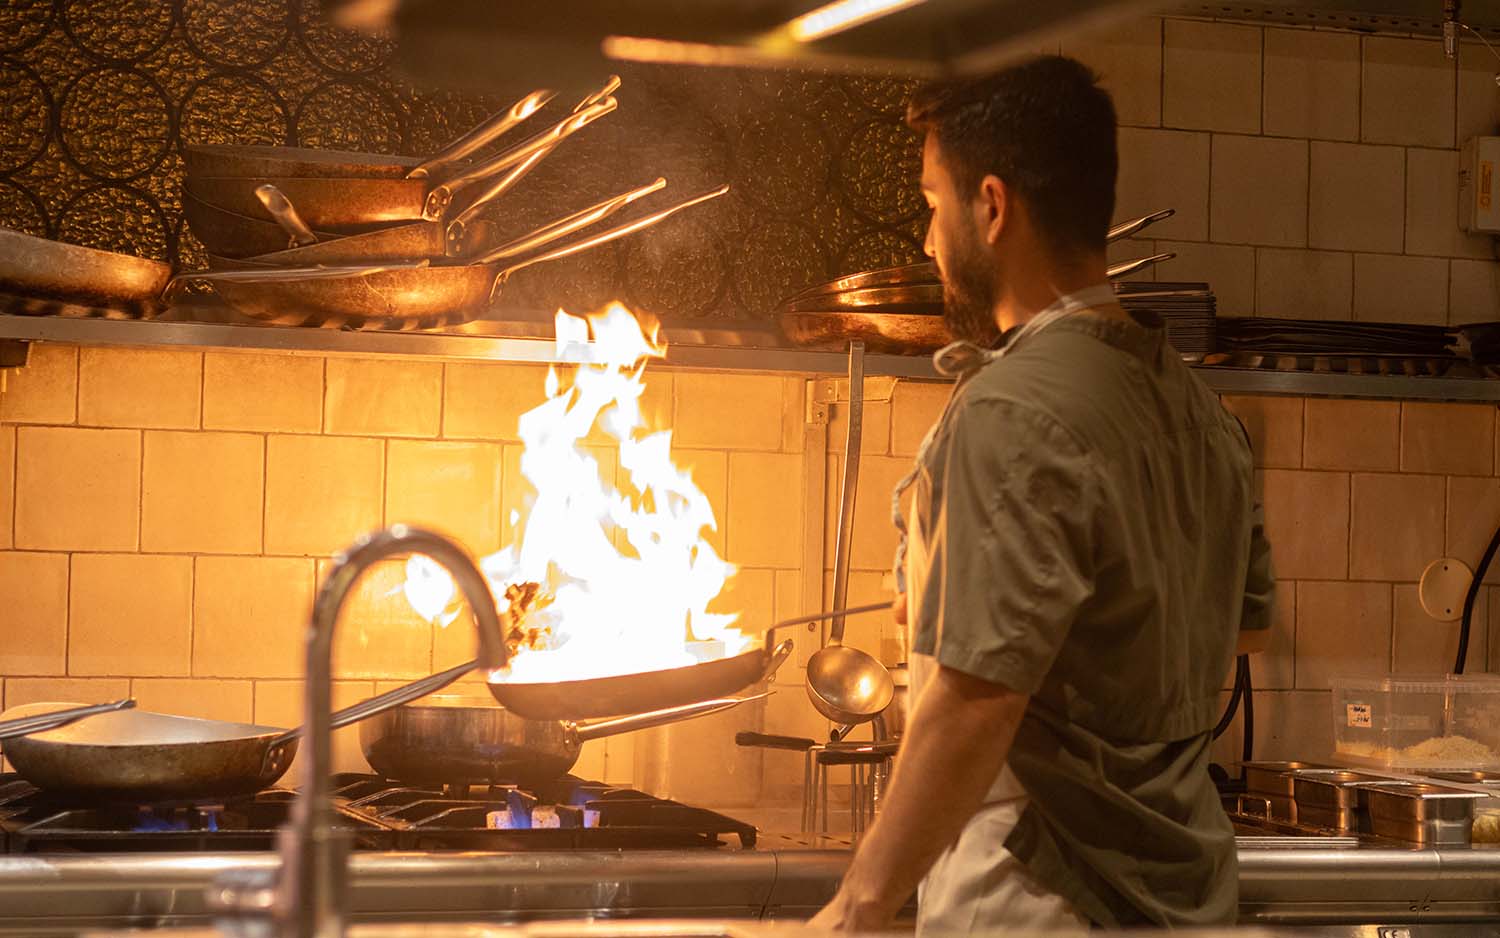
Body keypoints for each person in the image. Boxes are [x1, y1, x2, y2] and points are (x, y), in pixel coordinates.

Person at [808, 55, 1274, 933]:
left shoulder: (1009, 411)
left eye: (931, 205)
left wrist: (857, 908)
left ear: (991, 205)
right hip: (1182, 899)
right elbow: (1239, 627)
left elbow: (976, 702)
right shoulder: (1204, 417)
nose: (925, 239)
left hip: (1042, 897)